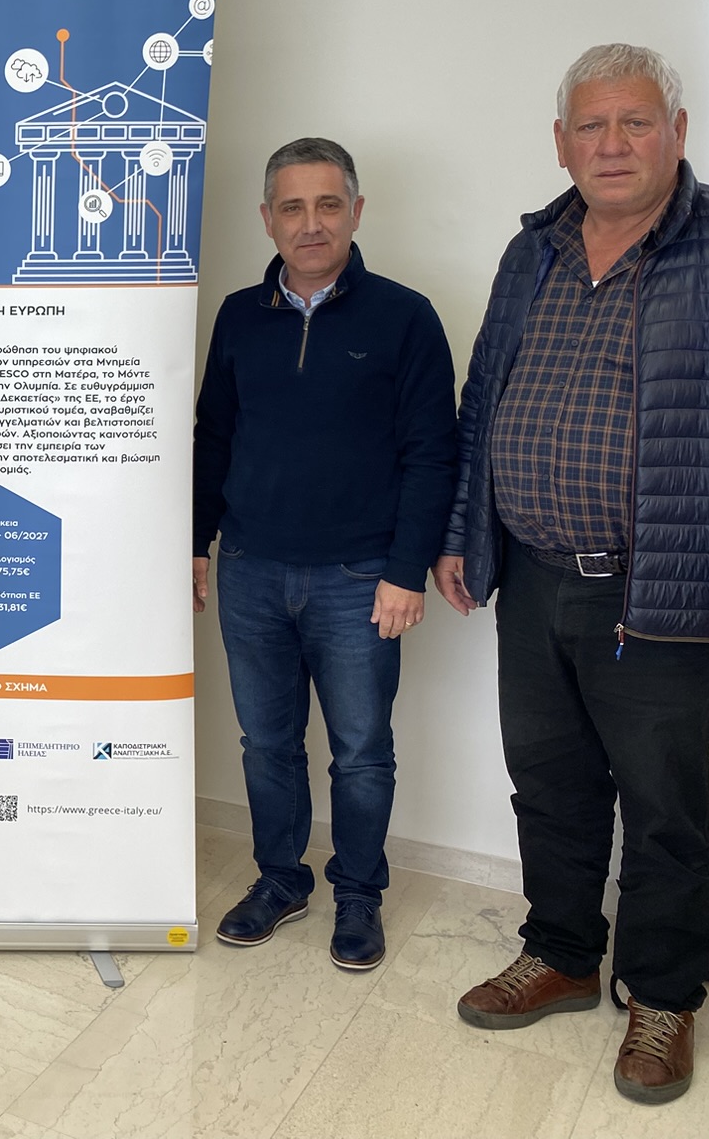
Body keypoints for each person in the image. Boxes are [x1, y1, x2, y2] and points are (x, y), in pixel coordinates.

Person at [435, 43, 709, 1105]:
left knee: (663, 807)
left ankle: (662, 995)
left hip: (664, 592)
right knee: (550, 783)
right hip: (535, 578)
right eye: (591, 125)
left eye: (635, 122)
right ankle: (562, 953)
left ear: (677, 132)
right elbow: (483, 401)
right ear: (560, 142)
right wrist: (461, 533)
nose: (612, 144)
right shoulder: (530, 249)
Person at [193, 137, 457, 972]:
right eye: (293, 207)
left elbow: (432, 454)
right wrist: (197, 541)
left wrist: (405, 571)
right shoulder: (239, 315)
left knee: (361, 751)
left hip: (358, 579)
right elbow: (214, 436)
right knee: (265, 745)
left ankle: (358, 894)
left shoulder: (405, 317)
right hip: (251, 570)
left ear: (356, 212)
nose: (311, 224)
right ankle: (281, 879)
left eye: (328, 205)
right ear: (268, 219)